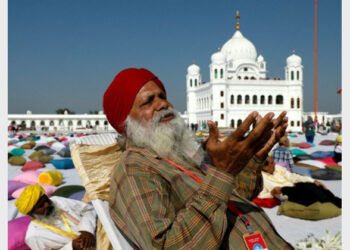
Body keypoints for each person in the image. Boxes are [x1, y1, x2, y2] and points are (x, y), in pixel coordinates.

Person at [103, 68, 293, 249]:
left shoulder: (175, 156)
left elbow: (233, 196)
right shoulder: (134, 170)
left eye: (162, 96)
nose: (163, 104)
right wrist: (222, 173)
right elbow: (166, 246)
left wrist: (254, 157)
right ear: (126, 122)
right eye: (148, 101)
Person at [15, 184, 97, 250]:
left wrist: (87, 230)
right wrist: (72, 247)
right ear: (31, 214)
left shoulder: (56, 201)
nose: (47, 204)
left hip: (98, 233)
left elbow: (88, 209)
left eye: (46, 200)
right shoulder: (34, 236)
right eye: (41, 206)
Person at [258, 156, 326, 200]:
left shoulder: (278, 168)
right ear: (264, 167)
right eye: (272, 163)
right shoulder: (261, 179)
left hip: (296, 189)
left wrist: (312, 181)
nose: (275, 163)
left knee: (319, 188)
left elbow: (293, 176)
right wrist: (272, 193)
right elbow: (261, 196)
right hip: (289, 197)